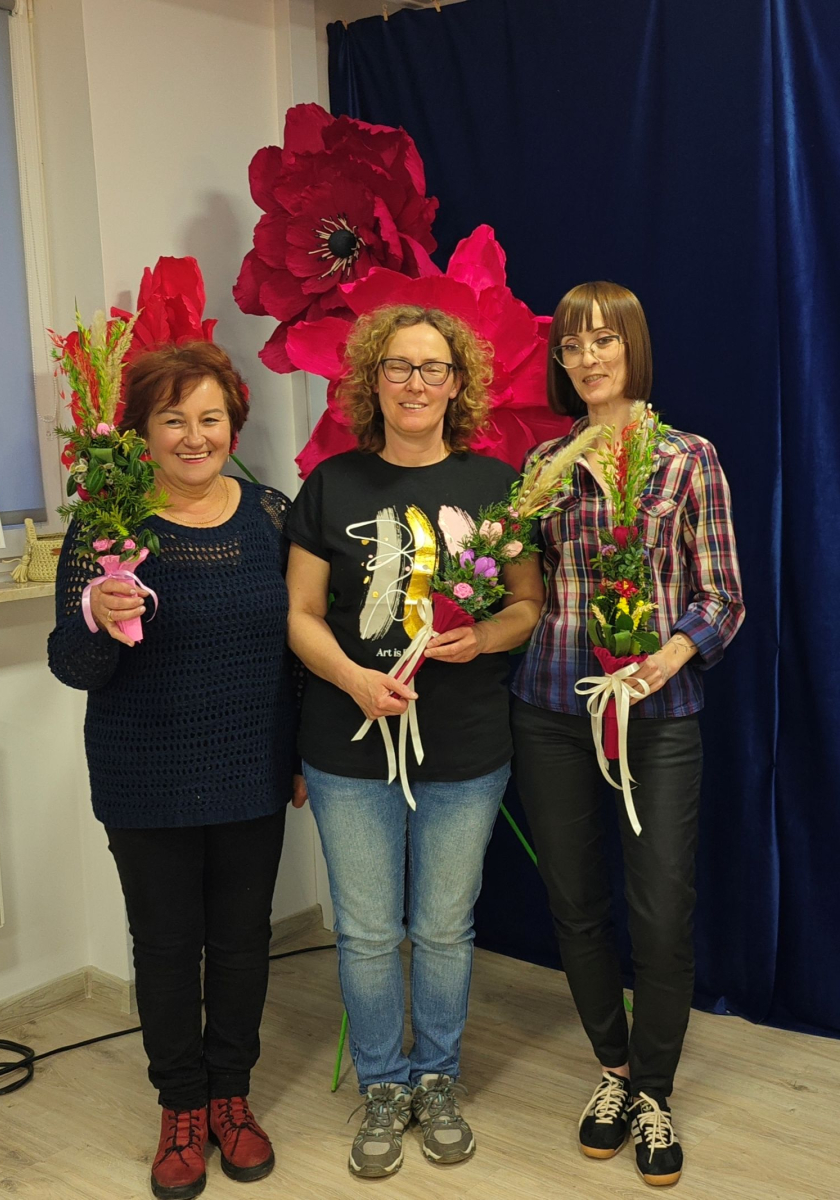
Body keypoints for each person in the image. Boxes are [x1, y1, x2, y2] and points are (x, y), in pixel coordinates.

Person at [285, 304, 544, 1179]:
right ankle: (382, 1087)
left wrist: (485, 636)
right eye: (398, 366)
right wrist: (354, 680)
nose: (415, 383)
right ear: (373, 379)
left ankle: (436, 1077)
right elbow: (301, 615)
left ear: (457, 384)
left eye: (433, 368)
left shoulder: (496, 486)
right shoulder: (330, 486)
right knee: (365, 933)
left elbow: (527, 604)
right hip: (348, 746)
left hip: (464, 748)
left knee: (440, 929)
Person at [48, 341, 304, 1200]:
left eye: (210, 418)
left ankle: (232, 1097)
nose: (195, 437)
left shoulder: (271, 515)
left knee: (241, 942)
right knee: (164, 948)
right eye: (173, 420)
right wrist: (95, 612)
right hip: (145, 773)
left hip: (250, 767)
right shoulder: (109, 527)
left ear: (233, 424)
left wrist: (299, 753)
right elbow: (75, 667)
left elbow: (297, 648)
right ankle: (181, 1109)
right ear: (142, 433)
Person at [510, 282, 744, 1188]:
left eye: (603, 340)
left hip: (656, 718)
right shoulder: (544, 462)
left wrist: (668, 657)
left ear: (632, 348)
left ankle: (654, 1091)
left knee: (659, 912)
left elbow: (721, 596)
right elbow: (520, 587)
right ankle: (612, 1071)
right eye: (571, 345)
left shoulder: (687, 459)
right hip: (551, 708)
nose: (587, 358)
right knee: (574, 902)